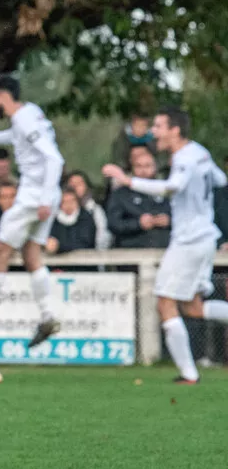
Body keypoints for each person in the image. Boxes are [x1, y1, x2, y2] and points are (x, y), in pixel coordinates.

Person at [102, 108, 228, 384]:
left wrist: (128, 180)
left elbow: (172, 187)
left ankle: (188, 373)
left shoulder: (184, 158)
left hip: (190, 240)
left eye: (158, 126)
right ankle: (188, 372)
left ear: (175, 130)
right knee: (193, 307)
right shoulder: (200, 152)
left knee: (164, 301)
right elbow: (221, 181)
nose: (153, 132)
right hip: (204, 236)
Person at [0, 74, 65, 347]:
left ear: (4, 95)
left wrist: (43, 198)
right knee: (32, 253)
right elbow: (16, 137)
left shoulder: (24, 118)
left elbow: (54, 158)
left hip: (34, 196)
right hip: (46, 194)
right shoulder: (30, 113)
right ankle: (48, 316)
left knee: (0, 251)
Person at [106, 147, 171, 249]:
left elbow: (186, 218)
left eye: (147, 166)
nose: (143, 170)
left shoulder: (167, 191)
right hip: (131, 252)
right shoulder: (121, 194)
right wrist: (138, 224)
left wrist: (169, 221)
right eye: (139, 166)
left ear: (155, 167)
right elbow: (113, 223)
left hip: (166, 251)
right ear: (132, 168)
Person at [65, 170, 110, 250]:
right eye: (72, 184)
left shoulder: (95, 210)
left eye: (79, 184)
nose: (75, 187)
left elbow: (103, 237)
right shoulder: (58, 211)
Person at [47, 188, 98, 255]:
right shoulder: (54, 220)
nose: (68, 205)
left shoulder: (86, 218)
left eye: (71, 201)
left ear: (78, 201)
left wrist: (59, 247)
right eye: (65, 202)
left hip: (84, 261)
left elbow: (85, 244)